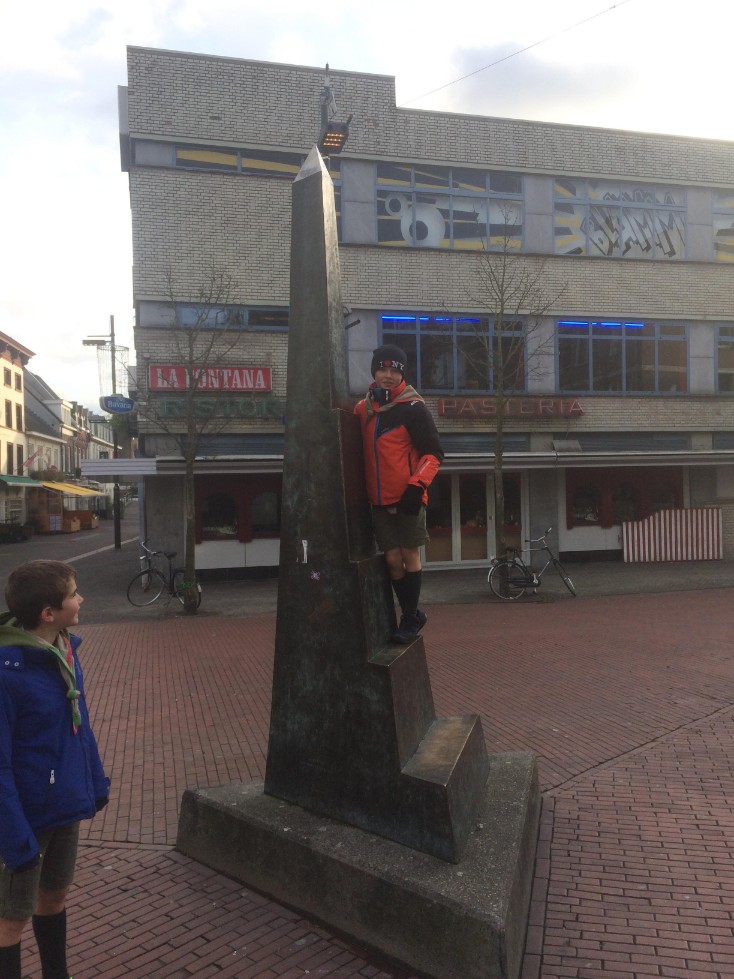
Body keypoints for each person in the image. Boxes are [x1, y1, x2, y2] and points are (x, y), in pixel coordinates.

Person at [0, 560, 109, 979]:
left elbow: (78, 729)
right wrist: (13, 838)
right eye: (74, 593)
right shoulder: (8, 674)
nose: (81, 599)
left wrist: (94, 784)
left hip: (63, 804)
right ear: (48, 612)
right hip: (24, 818)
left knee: (54, 898)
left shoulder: (63, 651)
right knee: (11, 918)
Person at [355, 344, 444, 643]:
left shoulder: (413, 408)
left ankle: (408, 617)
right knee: (392, 561)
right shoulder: (363, 409)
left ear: (402, 374)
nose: (389, 376)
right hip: (378, 501)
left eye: (395, 370)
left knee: (409, 556)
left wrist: (416, 487)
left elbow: (434, 453)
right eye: (383, 369)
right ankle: (414, 613)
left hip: (408, 498)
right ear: (374, 372)